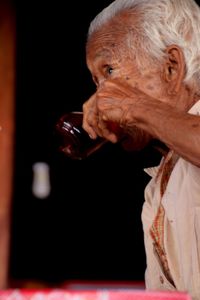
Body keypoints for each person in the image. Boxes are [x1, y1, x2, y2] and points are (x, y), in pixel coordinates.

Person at [82, 0, 200, 299]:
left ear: (171, 67)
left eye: (109, 71)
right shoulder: (162, 179)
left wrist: (135, 105)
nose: (101, 96)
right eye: (97, 81)